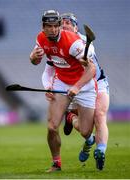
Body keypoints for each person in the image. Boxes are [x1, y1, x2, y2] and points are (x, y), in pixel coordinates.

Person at [30, 10, 97, 172]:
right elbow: (35, 61)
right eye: (49, 26)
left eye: (55, 26)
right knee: (52, 126)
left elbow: (91, 69)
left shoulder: (73, 43)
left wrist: (77, 87)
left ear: (60, 26)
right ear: (43, 26)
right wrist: (33, 57)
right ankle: (56, 163)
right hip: (61, 83)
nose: (52, 29)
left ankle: (71, 116)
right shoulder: (40, 38)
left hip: (84, 86)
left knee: (85, 131)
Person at [42, 12, 109, 170]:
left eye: (68, 25)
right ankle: (71, 119)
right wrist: (48, 86)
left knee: (97, 118)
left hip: (93, 82)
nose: (64, 27)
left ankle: (98, 148)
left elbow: (91, 65)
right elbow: (49, 67)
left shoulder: (82, 41)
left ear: (75, 27)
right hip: (67, 85)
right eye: (62, 25)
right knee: (53, 125)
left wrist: (85, 59)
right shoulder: (57, 42)